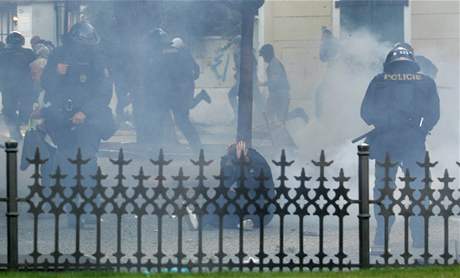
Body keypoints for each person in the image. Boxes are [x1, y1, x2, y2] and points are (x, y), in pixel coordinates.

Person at [360, 43, 440, 255]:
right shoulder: (426, 82)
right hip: (414, 142)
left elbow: (365, 112)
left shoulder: (379, 81)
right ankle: (420, 240)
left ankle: (380, 238)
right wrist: (421, 130)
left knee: (383, 190)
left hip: (386, 143)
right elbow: (434, 114)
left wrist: (384, 123)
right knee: (419, 190)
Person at [40, 21, 116, 227]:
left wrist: (85, 111)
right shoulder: (59, 54)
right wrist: (57, 72)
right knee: (67, 165)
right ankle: (72, 212)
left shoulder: (98, 57)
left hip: (89, 119)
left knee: (88, 163)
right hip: (62, 118)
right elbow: (46, 83)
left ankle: (90, 209)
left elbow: (104, 90)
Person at [187, 141, 275, 230]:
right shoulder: (234, 161)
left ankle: (200, 220)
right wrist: (228, 163)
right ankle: (238, 224)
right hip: (246, 210)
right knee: (217, 214)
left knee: (223, 201)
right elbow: (224, 185)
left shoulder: (259, 163)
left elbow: (251, 186)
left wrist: (241, 163)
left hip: (263, 210)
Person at [163, 37, 202, 152]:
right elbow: (196, 70)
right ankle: (196, 145)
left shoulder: (180, 58)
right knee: (181, 119)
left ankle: (197, 146)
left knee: (182, 120)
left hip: (181, 92)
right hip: (182, 91)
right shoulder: (186, 56)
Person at [0, 31, 36, 140]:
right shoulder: (29, 53)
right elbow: (35, 68)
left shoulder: (2, 53)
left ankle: (14, 129)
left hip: (8, 87)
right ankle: (19, 124)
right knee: (25, 108)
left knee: (9, 109)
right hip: (24, 87)